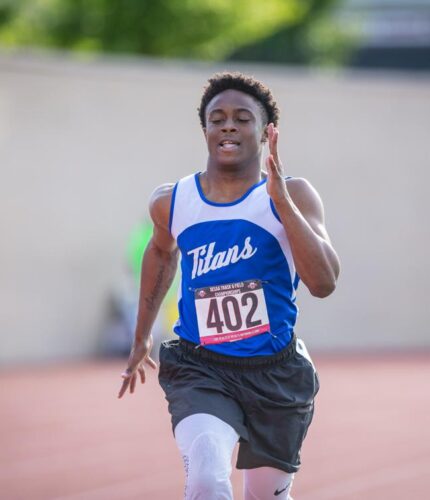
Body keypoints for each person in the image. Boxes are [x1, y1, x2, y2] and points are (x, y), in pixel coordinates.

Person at [118, 72, 340, 500]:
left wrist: (281, 202)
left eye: (242, 117)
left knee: (265, 496)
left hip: (276, 372)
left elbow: (324, 282)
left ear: (266, 130)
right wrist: (141, 336)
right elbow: (161, 254)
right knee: (206, 479)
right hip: (201, 367)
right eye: (216, 118)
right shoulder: (173, 200)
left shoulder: (295, 194)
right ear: (205, 130)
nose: (228, 126)